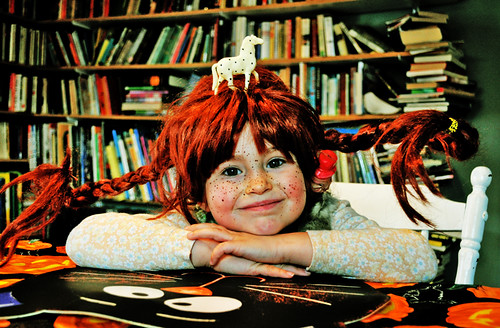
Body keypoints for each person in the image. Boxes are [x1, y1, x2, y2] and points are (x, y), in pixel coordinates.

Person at [0, 66, 479, 283]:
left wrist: (276, 247)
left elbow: (418, 260)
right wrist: (210, 252)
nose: (257, 185)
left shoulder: (327, 214)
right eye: (231, 170)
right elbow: (84, 239)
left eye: (275, 162)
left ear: (310, 169)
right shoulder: (196, 222)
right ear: (201, 190)